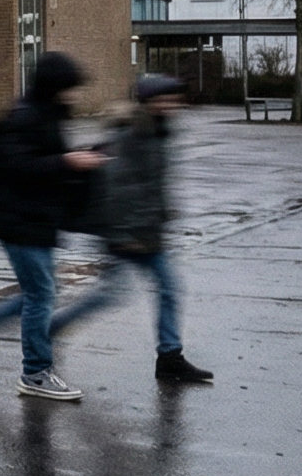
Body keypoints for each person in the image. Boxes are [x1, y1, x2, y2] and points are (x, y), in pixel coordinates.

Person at [0, 52, 110, 402]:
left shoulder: (46, 116)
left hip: (34, 220)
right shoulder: (26, 116)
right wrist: (67, 161)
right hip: (18, 221)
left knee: (39, 292)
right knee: (41, 294)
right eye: (69, 88)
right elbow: (15, 167)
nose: (73, 95)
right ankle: (36, 372)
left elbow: (41, 161)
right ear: (54, 86)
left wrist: (81, 156)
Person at [51, 74, 214, 383]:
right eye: (167, 99)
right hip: (125, 235)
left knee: (169, 288)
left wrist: (164, 215)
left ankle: (170, 358)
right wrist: (125, 235)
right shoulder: (130, 135)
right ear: (151, 102)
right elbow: (116, 188)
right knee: (109, 296)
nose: (174, 104)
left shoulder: (159, 132)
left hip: (147, 233)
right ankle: (53, 328)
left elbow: (153, 184)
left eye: (175, 99)